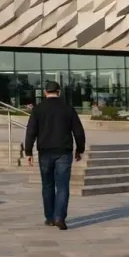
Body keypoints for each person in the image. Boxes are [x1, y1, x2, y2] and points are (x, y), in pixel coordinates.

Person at [24, 81, 86, 230]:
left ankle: (50, 218)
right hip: (64, 152)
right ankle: (60, 217)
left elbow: (31, 131)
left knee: (47, 185)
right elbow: (78, 131)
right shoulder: (68, 108)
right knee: (63, 186)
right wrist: (80, 149)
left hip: (45, 152)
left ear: (45, 92)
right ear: (59, 92)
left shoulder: (38, 109)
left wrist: (28, 151)